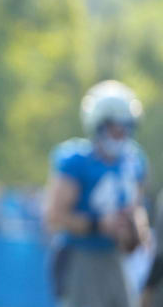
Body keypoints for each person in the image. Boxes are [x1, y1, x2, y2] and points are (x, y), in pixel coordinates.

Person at [45, 80, 149, 307]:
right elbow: (54, 217)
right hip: (82, 255)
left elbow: (136, 209)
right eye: (114, 127)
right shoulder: (77, 161)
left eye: (125, 127)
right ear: (99, 125)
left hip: (117, 257)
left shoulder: (134, 162)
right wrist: (98, 225)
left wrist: (135, 230)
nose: (120, 134)